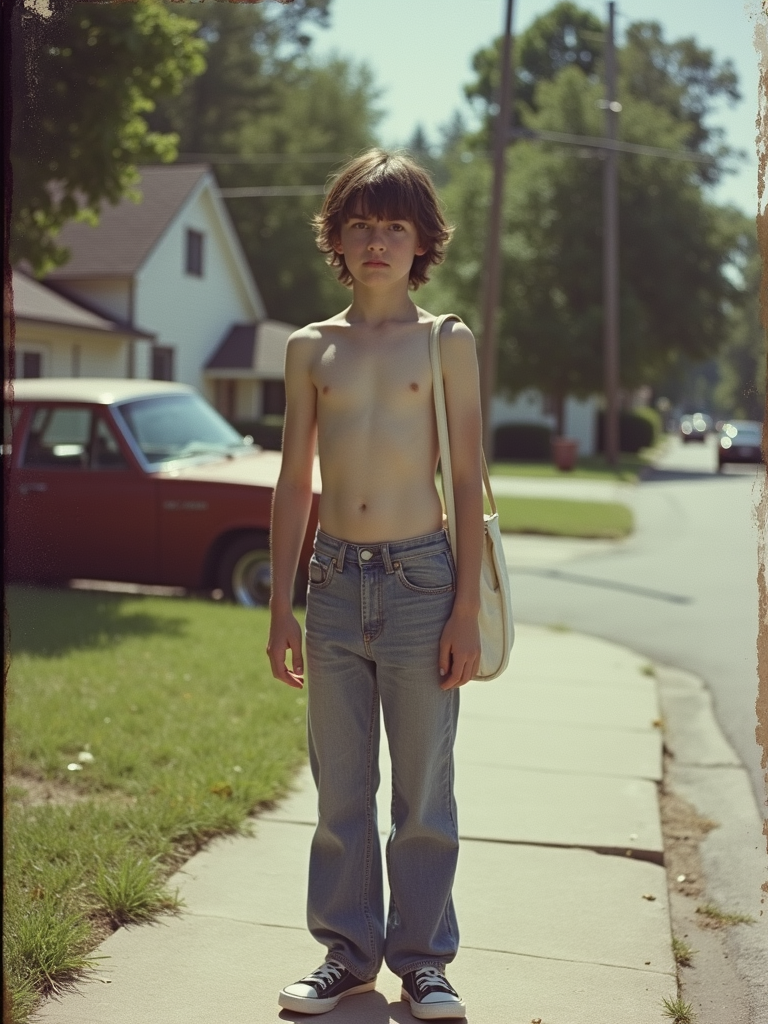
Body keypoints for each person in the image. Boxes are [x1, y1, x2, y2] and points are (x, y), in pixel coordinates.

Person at [267, 148, 483, 1020]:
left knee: (423, 790)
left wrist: (464, 607)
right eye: (360, 224)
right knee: (341, 789)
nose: (378, 240)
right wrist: (280, 605)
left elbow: (465, 479)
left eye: (395, 225)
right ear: (338, 238)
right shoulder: (309, 347)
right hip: (331, 581)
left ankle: (424, 962)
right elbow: (294, 481)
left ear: (422, 239)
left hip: (421, 582)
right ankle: (346, 954)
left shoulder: (446, 340)